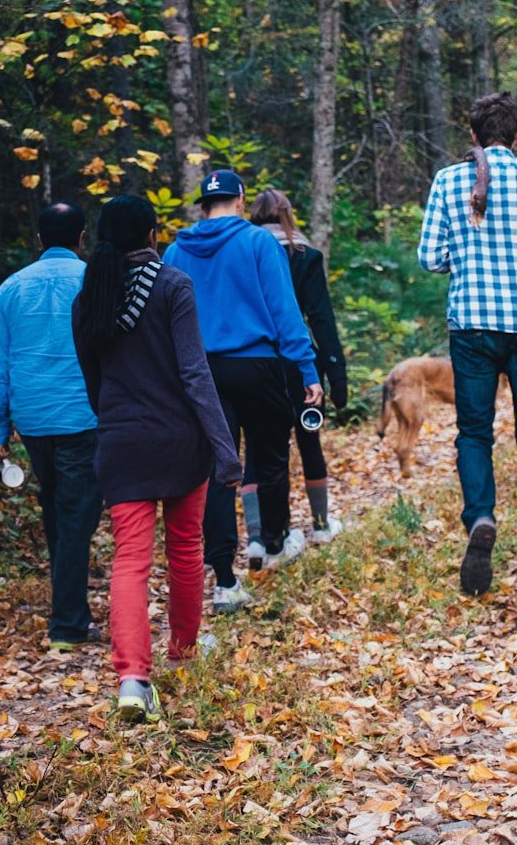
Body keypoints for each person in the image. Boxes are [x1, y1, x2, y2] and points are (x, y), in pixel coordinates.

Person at [71, 195, 242, 723]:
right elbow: (195, 373)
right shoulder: (172, 286)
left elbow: (93, 383)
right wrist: (224, 446)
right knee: (186, 548)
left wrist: (118, 422)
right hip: (178, 442)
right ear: (151, 235)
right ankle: (185, 652)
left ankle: (132, 679)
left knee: (129, 561)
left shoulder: (88, 299)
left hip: (122, 444)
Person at [417, 92, 517, 596]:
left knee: (474, 433)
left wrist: (466, 258)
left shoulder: (447, 181)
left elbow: (430, 258)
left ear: (473, 135)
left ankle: (481, 517)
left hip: (473, 327)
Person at [162, 169, 323, 613]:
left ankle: (224, 579)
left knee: (218, 469)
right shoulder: (258, 243)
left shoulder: (176, 250)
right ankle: (272, 544)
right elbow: (284, 309)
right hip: (257, 365)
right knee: (269, 457)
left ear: (202, 204)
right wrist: (307, 367)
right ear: (240, 200)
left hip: (200, 371)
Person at [0, 202, 103, 652]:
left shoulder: (12, 288)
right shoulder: (93, 280)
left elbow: (1, 363)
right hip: (82, 415)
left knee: (57, 507)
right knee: (76, 516)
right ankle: (69, 623)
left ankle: (69, 606)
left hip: (33, 419)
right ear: (81, 237)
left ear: (38, 240)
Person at [245, 189, 349, 544]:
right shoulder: (305, 255)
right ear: (288, 214)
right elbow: (321, 318)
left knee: (258, 449)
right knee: (309, 441)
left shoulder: (242, 253)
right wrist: (336, 373)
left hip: (254, 361)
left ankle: (259, 535)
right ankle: (320, 525)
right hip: (299, 362)